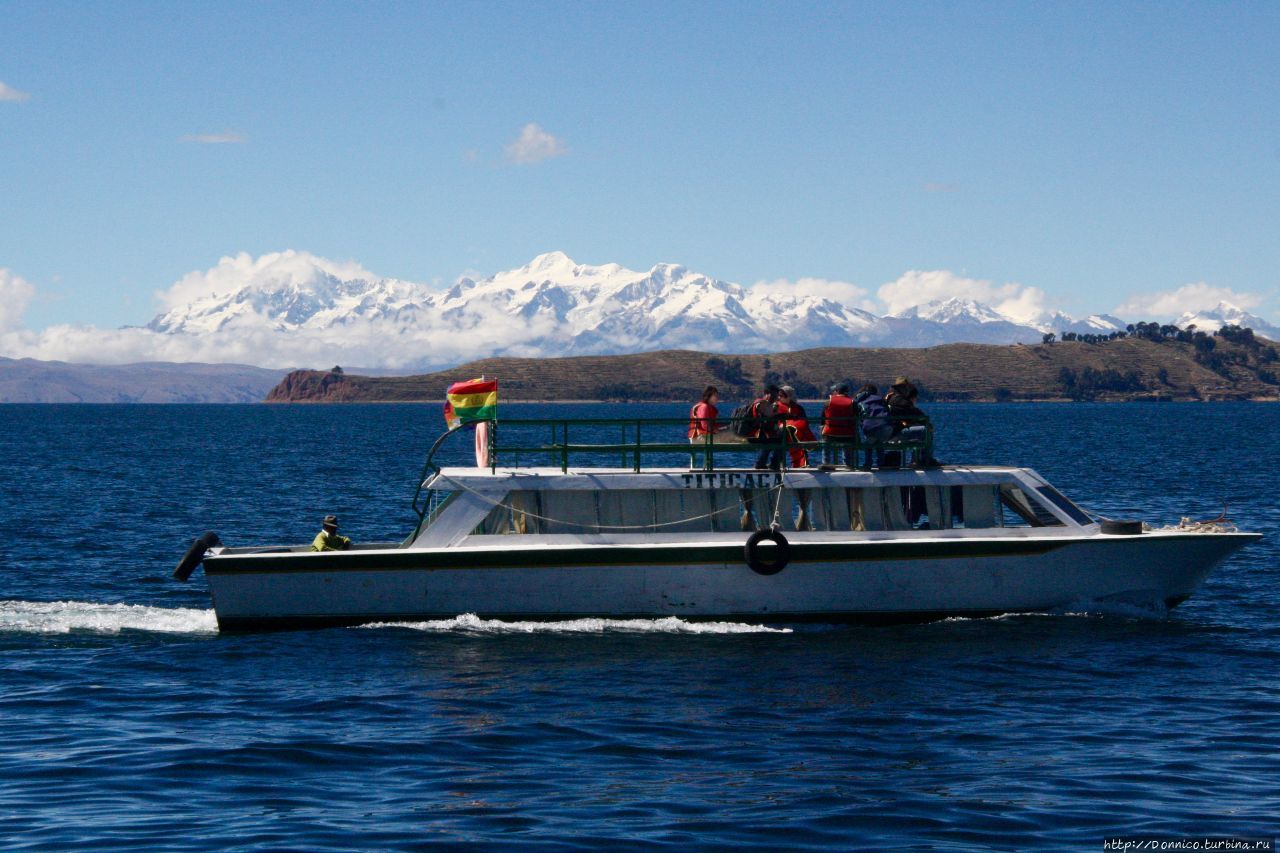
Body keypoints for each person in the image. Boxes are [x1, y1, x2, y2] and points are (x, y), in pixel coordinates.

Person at [854, 383, 894, 468]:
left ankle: (868, 464)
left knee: (868, 444)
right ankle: (881, 463)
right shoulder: (881, 399)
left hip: (870, 428)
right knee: (880, 442)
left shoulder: (860, 401)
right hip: (885, 428)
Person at [747, 384, 785, 471]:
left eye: (776, 396)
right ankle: (772, 464)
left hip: (761, 434)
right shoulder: (760, 402)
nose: (775, 398)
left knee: (778, 436)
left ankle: (764, 463)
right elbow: (766, 417)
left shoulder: (769, 405)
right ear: (767, 394)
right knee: (778, 439)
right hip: (755, 435)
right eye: (774, 395)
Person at [820, 383, 858, 469]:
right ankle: (848, 464)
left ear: (836, 391)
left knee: (825, 440)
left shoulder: (828, 402)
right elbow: (857, 417)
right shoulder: (853, 403)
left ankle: (826, 462)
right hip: (847, 434)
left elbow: (822, 419)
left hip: (830, 434)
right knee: (849, 443)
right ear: (847, 392)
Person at [777, 386, 816, 469]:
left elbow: (804, 422)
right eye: (779, 395)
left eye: (781, 395)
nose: (779, 397)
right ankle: (778, 464)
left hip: (796, 433)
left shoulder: (799, 408)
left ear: (789, 396)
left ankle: (801, 465)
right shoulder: (775, 407)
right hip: (780, 433)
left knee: (800, 440)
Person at [687, 385, 725, 469]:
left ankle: (703, 467)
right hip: (699, 436)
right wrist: (718, 431)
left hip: (701, 436)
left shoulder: (708, 407)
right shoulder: (704, 407)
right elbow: (705, 425)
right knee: (731, 436)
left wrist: (726, 426)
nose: (717, 398)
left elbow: (713, 424)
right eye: (715, 395)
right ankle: (705, 467)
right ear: (709, 396)